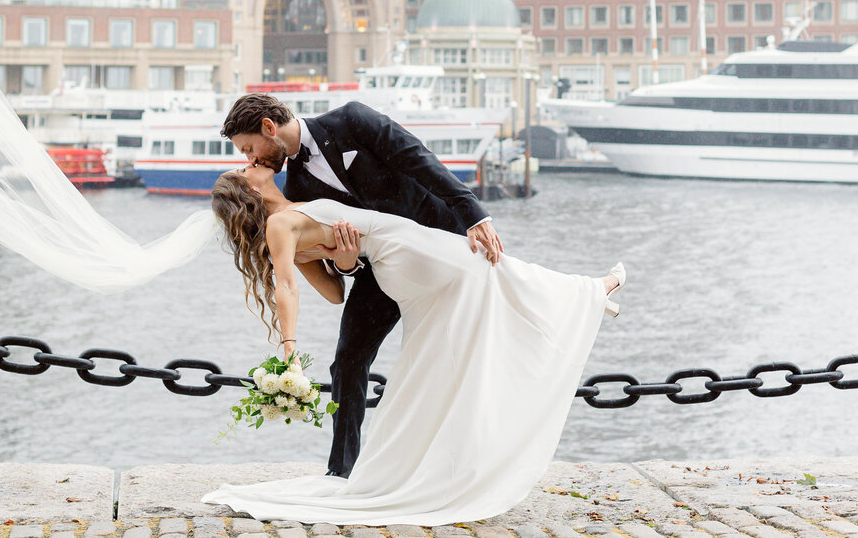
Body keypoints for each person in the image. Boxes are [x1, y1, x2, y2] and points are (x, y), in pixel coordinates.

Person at [203, 166, 625, 525]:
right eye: (243, 169)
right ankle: (591, 292)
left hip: (395, 263)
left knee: (442, 346)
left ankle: (425, 465)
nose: (250, 161)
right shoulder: (280, 224)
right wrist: (289, 348)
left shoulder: (289, 216)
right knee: (493, 269)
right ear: (251, 189)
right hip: (403, 250)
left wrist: (346, 261)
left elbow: (335, 289)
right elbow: (290, 288)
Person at [220, 92, 503, 477]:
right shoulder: (297, 191)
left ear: (269, 128)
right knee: (348, 360)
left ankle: (469, 459)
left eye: (249, 148)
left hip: (439, 237)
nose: (250, 159)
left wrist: (472, 214)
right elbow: (334, 264)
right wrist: (347, 264)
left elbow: (419, 160)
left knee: (468, 342)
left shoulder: (352, 120)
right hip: (378, 270)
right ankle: (341, 471)